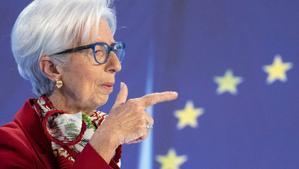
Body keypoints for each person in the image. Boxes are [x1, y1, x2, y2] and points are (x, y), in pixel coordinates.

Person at [0, 0, 178, 168]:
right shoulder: (8, 146)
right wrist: (109, 136)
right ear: (52, 68)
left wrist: (108, 136)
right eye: (98, 51)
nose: (116, 65)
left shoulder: (94, 133)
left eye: (114, 49)